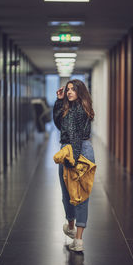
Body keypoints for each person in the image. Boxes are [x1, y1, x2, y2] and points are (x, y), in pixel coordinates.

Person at [53, 79, 95, 252]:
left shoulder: (77, 110)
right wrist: (58, 101)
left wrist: (74, 159)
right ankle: (74, 232)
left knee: (75, 193)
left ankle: (75, 234)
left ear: (80, 92)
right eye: (68, 89)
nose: (69, 92)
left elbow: (75, 136)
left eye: (73, 90)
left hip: (76, 151)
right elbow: (59, 125)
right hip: (75, 149)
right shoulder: (74, 108)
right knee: (73, 193)